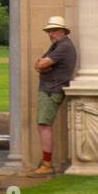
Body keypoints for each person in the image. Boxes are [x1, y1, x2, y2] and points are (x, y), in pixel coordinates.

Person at [32, 16, 78, 176]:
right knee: (43, 124)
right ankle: (46, 162)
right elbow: (37, 64)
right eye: (49, 31)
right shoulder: (57, 46)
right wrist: (42, 65)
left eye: (53, 30)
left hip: (52, 90)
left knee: (44, 125)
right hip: (49, 88)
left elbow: (41, 64)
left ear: (62, 31)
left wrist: (43, 65)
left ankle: (47, 164)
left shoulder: (63, 46)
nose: (50, 34)